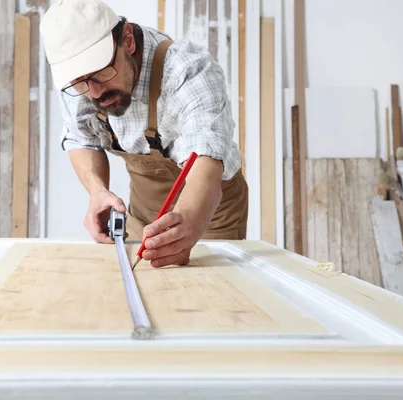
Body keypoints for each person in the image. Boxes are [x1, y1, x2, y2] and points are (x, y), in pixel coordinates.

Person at [40, 0, 248, 268]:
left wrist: (187, 225)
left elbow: (206, 166)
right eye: (80, 82)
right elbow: (82, 138)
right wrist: (97, 191)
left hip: (209, 213)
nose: (93, 92)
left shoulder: (188, 70)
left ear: (127, 41)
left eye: (101, 73)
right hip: (143, 215)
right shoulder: (80, 80)